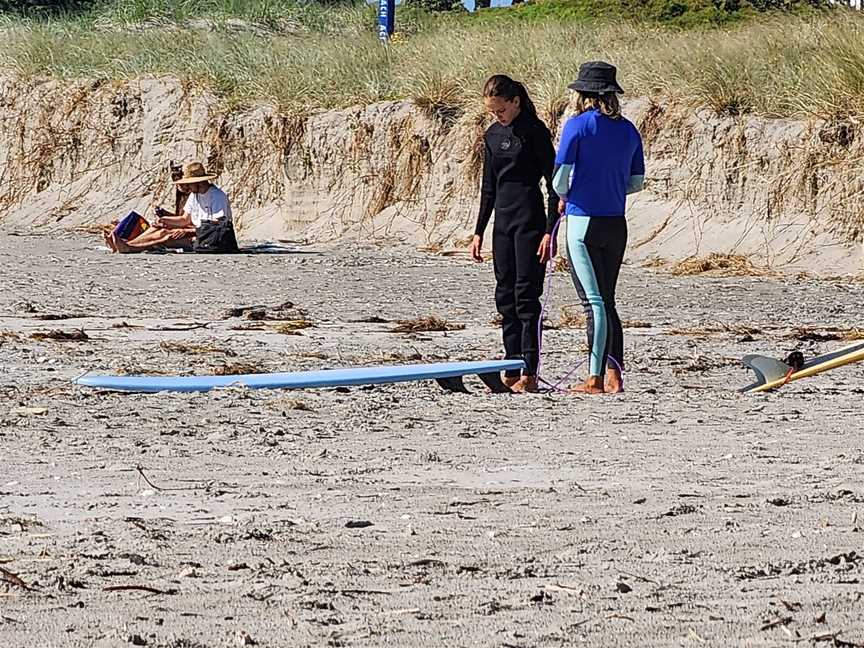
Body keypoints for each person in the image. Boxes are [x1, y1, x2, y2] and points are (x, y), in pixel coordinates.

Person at [539, 61, 645, 395]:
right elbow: (636, 182)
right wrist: (608, 187)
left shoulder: (578, 126)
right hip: (616, 222)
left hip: (582, 222)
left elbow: (558, 180)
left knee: (594, 304)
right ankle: (615, 376)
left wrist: (571, 194)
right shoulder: (629, 129)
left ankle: (594, 379)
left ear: (583, 94)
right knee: (608, 302)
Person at [470, 75, 558, 393]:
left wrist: (550, 231)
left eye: (501, 110)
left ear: (515, 102)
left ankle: (530, 370)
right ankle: (511, 362)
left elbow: (554, 186)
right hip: (502, 225)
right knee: (505, 296)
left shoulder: (535, 133)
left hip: (530, 222)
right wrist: (478, 231)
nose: (498, 116)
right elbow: (488, 187)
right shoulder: (492, 135)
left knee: (526, 297)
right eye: (493, 111)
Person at [107, 162, 237, 254]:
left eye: (189, 184)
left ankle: (130, 248)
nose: (187, 188)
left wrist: (189, 232)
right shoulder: (195, 195)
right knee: (158, 227)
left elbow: (219, 226)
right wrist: (164, 220)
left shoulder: (217, 196)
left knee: (166, 235)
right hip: (197, 233)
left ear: (199, 182)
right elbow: (184, 219)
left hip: (211, 240)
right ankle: (127, 244)